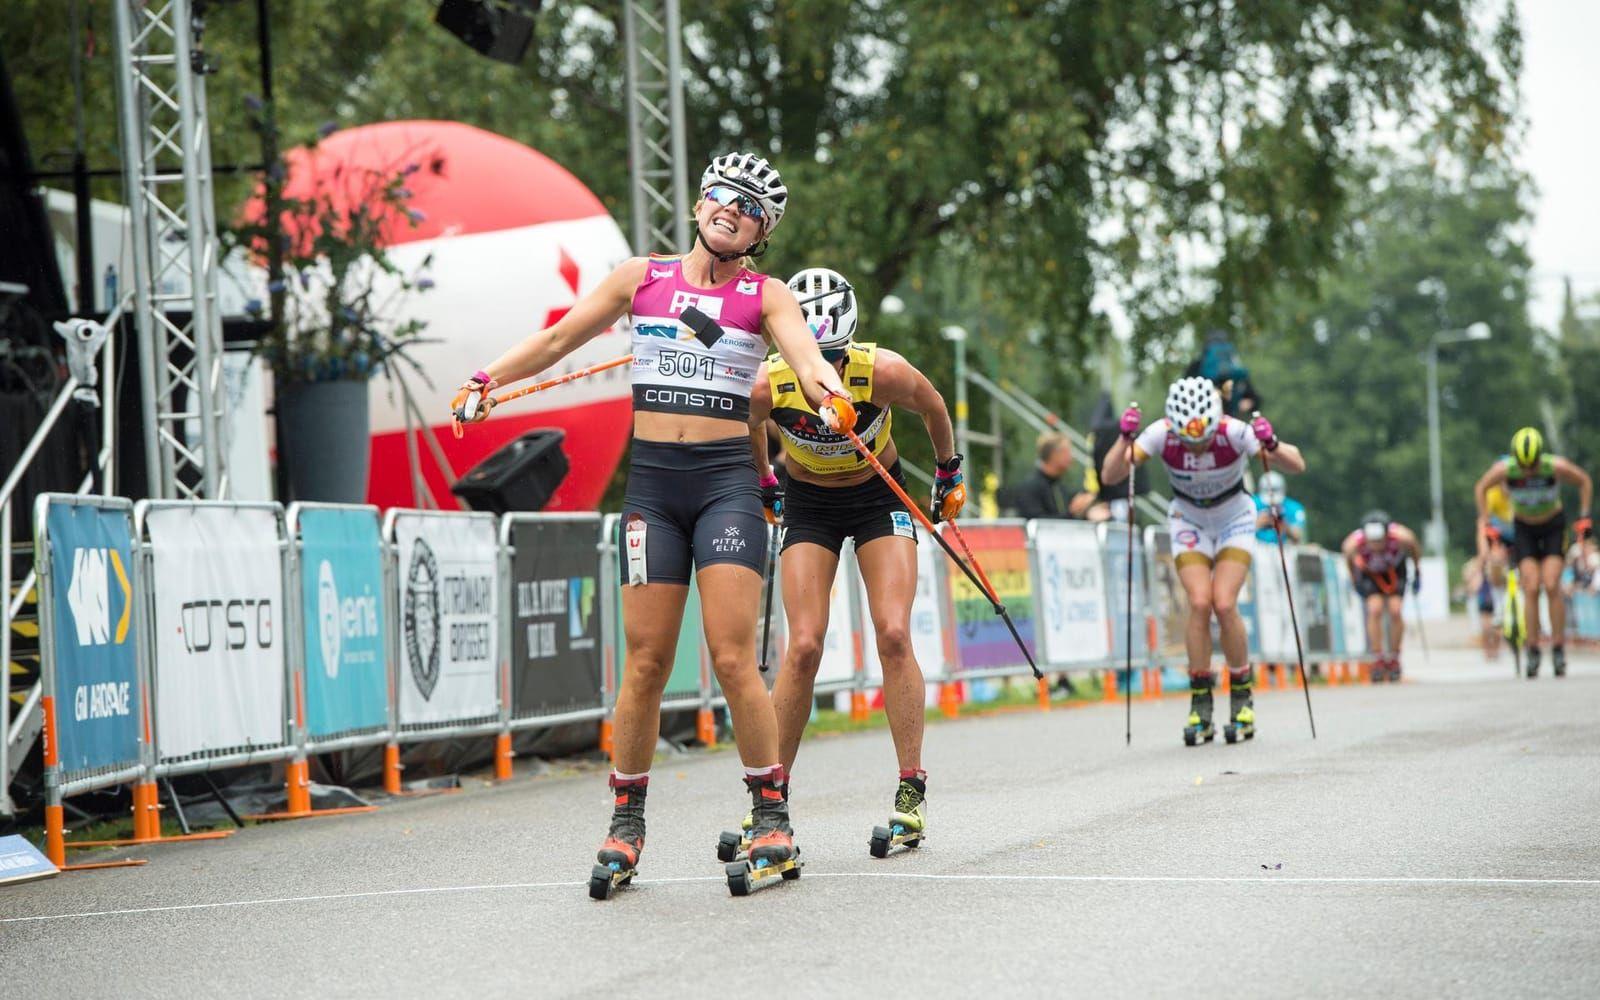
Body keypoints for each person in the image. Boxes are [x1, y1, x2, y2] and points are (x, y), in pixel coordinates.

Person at [453, 152, 854, 889]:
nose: (731, 209)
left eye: (750, 207)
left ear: (761, 231)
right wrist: (489, 380)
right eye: (722, 196)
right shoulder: (643, 278)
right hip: (653, 493)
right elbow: (555, 341)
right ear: (701, 202)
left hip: (726, 488)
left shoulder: (765, 296)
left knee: (733, 658)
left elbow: (805, 359)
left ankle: (771, 817)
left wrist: (830, 394)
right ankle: (625, 826)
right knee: (644, 665)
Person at [745, 266, 960, 852]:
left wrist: (947, 473)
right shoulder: (770, 381)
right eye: (820, 358)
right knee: (805, 644)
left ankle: (910, 791)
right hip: (810, 503)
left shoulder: (880, 370)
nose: (830, 373)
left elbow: (934, 406)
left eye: (837, 358)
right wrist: (766, 479)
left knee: (892, 632)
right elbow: (750, 424)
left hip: (876, 493)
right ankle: (771, 799)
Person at [1101, 376, 1305, 745]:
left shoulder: (1233, 430)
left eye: (1203, 437)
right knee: (1198, 602)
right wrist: (1123, 439)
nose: (1196, 444)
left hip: (1234, 516)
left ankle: (1242, 696)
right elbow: (1110, 474)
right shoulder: (1162, 433)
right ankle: (1201, 702)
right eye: (1188, 438)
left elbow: (1296, 465)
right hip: (1189, 518)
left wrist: (1271, 443)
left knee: (1224, 603)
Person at [1473, 427, 1593, 678]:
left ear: (1540, 456)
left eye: (1533, 465)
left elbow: (1584, 481)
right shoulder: (1506, 470)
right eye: (1523, 466)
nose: (1529, 471)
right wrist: (1486, 521)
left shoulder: (1554, 466)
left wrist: (1584, 515)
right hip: (1525, 527)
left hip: (1552, 526)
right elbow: (1481, 487)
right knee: (1530, 586)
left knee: (1551, 584)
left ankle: (1558, 647)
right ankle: (1533, 648)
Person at [1340, 511, 1422, 682]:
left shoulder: (1401, 537)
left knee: (1395, 610)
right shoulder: (1354, 543)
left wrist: (1417, 572)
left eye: (1379, 541)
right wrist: (1354, 579)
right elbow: (1347, 556)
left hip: (1394, 571)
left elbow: (1414, 547)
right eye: (1372, 541)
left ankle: (1394, 656)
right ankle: (1377, 657)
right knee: (1374, 609)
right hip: (1371, 574)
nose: (1376, 545)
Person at [1006, 433, 1096, 520]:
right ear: (1054, 454)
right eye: (1067, 452)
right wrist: (1072, 513)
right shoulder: (1029, 488)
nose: (1071, 458)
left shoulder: (1060, 487)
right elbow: (1037, 523)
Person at [1252, 470, 1306, 544]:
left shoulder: (1293, 508)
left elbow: (1299, 537)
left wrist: (1285, 527)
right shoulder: (1251, 504)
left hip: (1284, 550)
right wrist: (1257, 524)